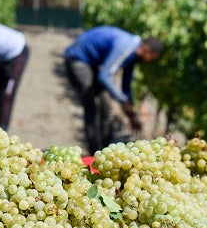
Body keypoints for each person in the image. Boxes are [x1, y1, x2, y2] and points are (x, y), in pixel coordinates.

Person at [63, 26, 163, 154]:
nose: (149, 62)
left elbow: (126, 83)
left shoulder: (134, 53)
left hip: (92, 64)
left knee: (107, 108)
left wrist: (130, 110)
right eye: (152, 58)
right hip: (78, 59)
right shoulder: (126, 47)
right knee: (91, 106)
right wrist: (122, 100)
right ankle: (94, 152)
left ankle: (106, 149)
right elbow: (104, 76)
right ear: (147, 50)